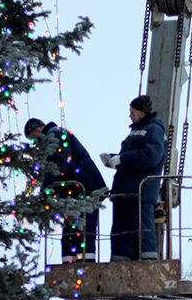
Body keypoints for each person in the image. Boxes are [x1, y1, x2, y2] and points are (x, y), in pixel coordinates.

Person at [25, 118, 106, 263]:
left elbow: (60, 162)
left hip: (84, 188)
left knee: (82, 227)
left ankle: (85, 263)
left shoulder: (56, 134)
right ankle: (70, 261)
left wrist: (43, 181)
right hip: (74, 190)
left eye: (33, 139)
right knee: (71, 228)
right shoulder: (53, 138)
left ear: (36, 131)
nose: (35, 144)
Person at [100, 95, 166, 261]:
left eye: (132, 111)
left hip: (140, 191)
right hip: (125, 191)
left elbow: (151, 156)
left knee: (143, 231)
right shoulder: (136, 131)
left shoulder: (154, 129)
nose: (130, 115)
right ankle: (118, 264)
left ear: (142, 112)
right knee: (120, 233)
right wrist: (114, 159)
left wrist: (122, 159)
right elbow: (133, 156)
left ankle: (148, 265)